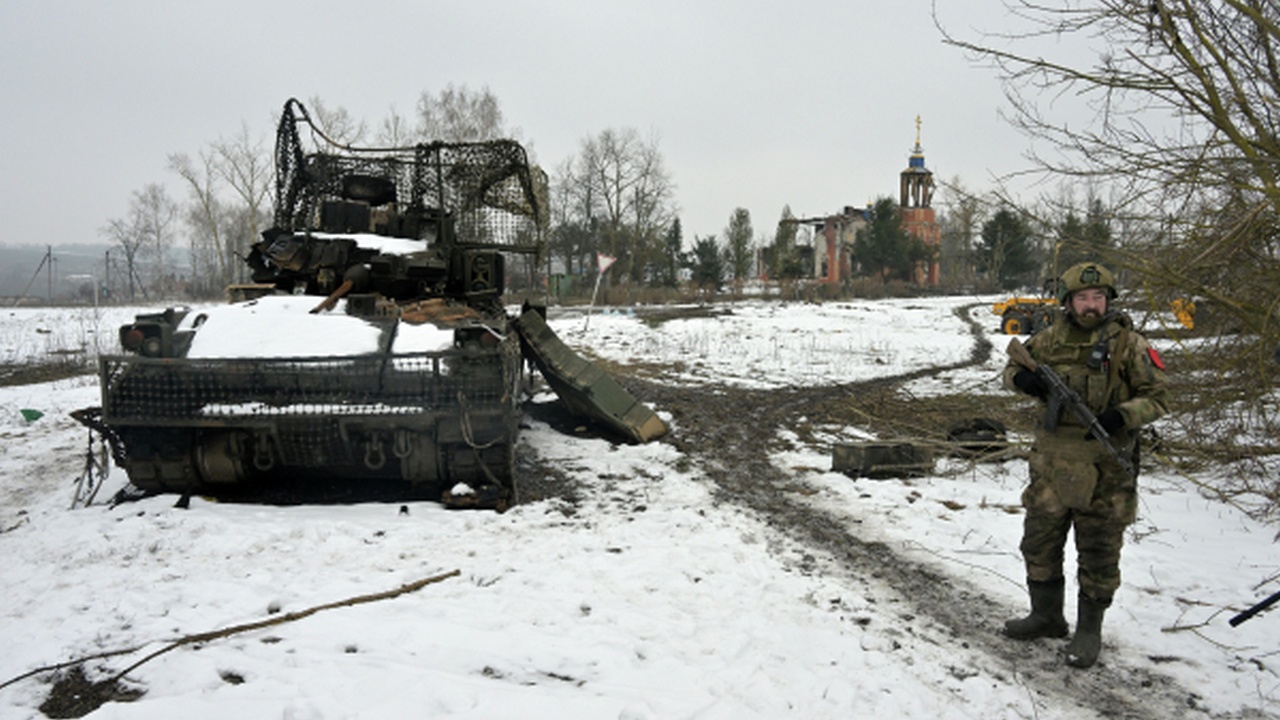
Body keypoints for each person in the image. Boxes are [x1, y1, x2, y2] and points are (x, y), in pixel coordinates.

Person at [1001, 262, 1169, 668]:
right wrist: (1022, 381)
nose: (1091, 305)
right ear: (1069, 302)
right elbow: (1010, 369)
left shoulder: (1129, 344)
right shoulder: (1048, 339)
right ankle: (1046, 615)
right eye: (1082, 298)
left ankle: (1088, 631)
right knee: (1039, 542)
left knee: (1098, 553)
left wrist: (1121, 417)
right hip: (1051, 465)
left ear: (1108, 300)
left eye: (1098, 298)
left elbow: (1158, 397)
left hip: (1104, 470)